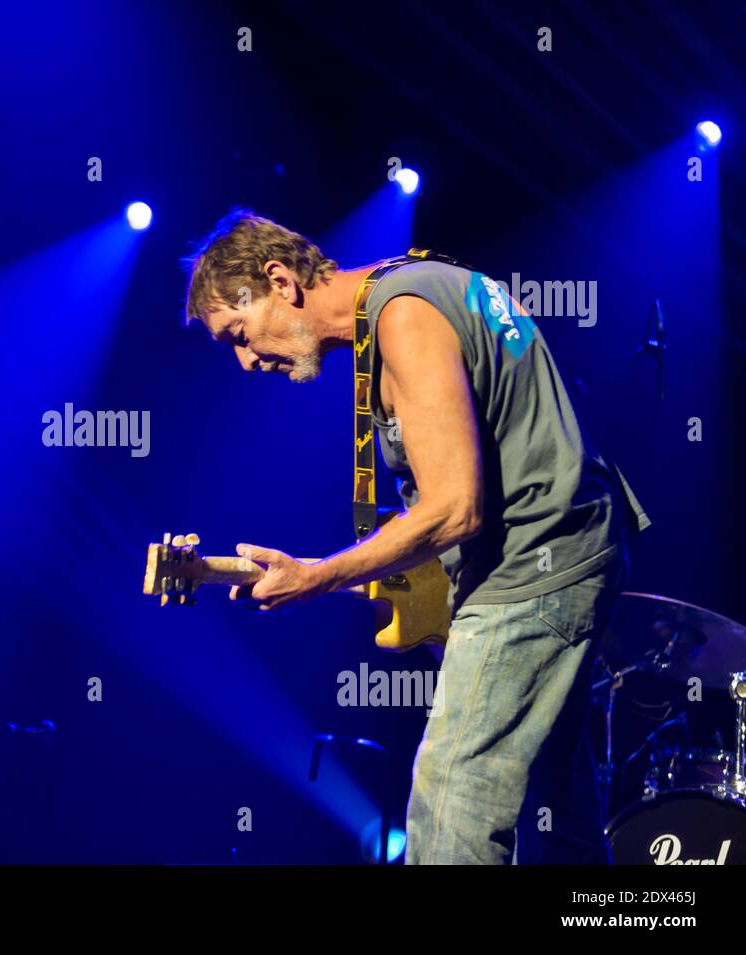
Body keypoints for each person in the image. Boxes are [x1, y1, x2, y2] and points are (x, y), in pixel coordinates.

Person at [182, 209, 649, 863]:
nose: (246, 359)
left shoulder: (403, 316)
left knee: (450, 796)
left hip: (534, 571)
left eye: (239, 332)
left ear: (280, 281)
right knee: (552, 804)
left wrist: (317, 577)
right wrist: (340, 572)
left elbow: (456, 507)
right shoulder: (417, 284)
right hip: (574, 550)